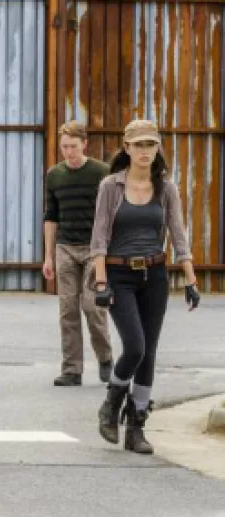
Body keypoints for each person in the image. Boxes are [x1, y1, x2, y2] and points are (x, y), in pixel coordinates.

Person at [91, 119, 200, 455]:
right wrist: (101, 282)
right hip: (118, 274)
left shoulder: (165, 188)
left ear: (157, 148)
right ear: (127, 147)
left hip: (154, 275)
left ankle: (136, 426)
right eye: (138, 144)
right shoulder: (111, 186)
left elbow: (178, 234)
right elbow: (99, 237)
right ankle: (112, 403)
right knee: (135, 347)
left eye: (150, 144)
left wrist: (191, 279)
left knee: (149, 351)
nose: (144, 151)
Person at [42, 121, 114, 387]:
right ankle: (72, 369)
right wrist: (48, 256)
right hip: (65, 248)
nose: (69, 152)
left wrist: (108, 250)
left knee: (92, 306)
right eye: (64, 147)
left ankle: (105, 357)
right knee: (67, 309)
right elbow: (51, 217)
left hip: (95, 248)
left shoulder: (102, 173)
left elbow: (112, 212)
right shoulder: (54, 175)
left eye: (73, 146)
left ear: (85, 144)